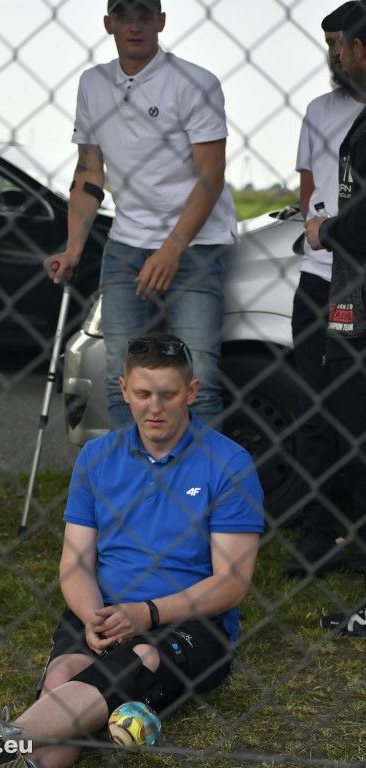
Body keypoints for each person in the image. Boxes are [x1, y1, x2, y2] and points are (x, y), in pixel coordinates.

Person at [0, 332, 264, 768]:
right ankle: (18, 760)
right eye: (143, 394)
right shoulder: (96, 456)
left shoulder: (230, 462)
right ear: (124, 390)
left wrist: (146, 614)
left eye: (169, 394)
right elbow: (75, 562)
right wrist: (94, 617)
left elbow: (232, 584)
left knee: (142, 657)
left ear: (192, 392)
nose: (155, 407)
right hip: (105, 609)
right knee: (62, 676)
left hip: (190, 621)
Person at [44, 0, 237, 432]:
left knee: (197, 380)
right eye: (123, 15)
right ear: (108, 23)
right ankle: (133, 472)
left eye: (145, 15)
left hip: (195, 246)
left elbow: (211, 177)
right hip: (127, 244)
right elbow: (89, 172)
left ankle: (197, 476)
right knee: (124, 379)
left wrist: (171, 250)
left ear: (161, 22)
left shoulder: (195, 82)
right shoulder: (93, 83)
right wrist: (73, 248)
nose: (134, 25)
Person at [283, 1, 364, 578]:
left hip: (362, 282)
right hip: (320, 280)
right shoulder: (320, 110)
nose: (335, 54)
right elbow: (311, 189)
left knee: (358, 412)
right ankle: (317, 532)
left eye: (343, 42)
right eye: (329, 43)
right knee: (314, 409)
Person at [305, 1, 366, 623]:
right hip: (347, 300)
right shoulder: (341, 114)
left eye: (345, 43)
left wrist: (327, 230)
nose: (337, 54)